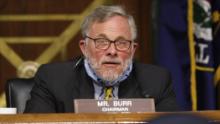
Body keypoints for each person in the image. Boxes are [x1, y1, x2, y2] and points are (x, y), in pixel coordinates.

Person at [24, 5, 179, 113]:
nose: (112, 51)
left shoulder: (157, 81)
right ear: (84, 47)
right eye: (102, 42)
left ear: (132, 50)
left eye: (121, 43)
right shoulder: (53, 79)